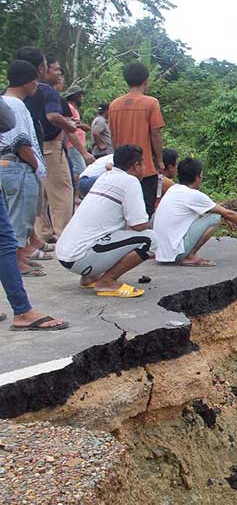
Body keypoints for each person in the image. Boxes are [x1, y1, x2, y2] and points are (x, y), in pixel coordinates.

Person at [0, 64, 65, 330]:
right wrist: (37, 166)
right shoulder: (11, 104)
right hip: (14, 166)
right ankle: (22, 311)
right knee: (6, 240)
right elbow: (9, 124)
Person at [55, 144, 154, 298]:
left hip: (65, 254)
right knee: (151, 239)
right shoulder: (130, 181)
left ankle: (89, 278)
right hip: (81, 257)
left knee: (111, 231)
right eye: (144, 163)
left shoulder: (106, 176)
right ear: (136, 166)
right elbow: (139, 225)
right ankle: (107, 282)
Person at [14, 48, 91, 240]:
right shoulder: (46, 91)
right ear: (41, 69)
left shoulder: (13, 94)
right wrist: (70, 127)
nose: (57, 73)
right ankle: (65, 234)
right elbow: (53, 116)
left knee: (41, 194)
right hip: (48, 146)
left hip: (23, 149)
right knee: (62, 190)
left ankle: (43, 235)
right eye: (53, 68)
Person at [153, 157, 237, 267]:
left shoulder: (174, 189)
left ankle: (187, 254)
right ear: (198, 177)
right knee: (215, 217)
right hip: (175, 253)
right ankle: (190, 256)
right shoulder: (193, 195)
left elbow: (206, 212)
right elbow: (228, 213)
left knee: (216, 214)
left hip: (162, 254)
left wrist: (225, 216)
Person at [1, 61, 47, 277]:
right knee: (20, 213)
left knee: (13, 213)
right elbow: (21, 144)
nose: (36, 85)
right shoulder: (16, 105)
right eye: (35, 80)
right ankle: (18, 260)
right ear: (27, 81)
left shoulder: (5, 101)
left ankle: (20, 258)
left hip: (7, 165)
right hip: (17, 165)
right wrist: (36, 166)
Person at [107, 62, 164, 217]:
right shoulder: (151, 103)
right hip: (144, 169)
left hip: (122, 168)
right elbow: (155, 134)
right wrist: (159, 160)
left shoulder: (114, 105)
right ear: (146, 80)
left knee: (121, 212)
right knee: (144, 212)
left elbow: (112, 135)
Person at [64, 89, 89, 181]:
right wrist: (81, 125)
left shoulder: (74, 109)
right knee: (80, 169)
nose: (82, 98)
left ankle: (76, 193)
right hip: (73, 144)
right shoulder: (69, 108)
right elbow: (69, 125)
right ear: (75, 96)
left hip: (77, 145)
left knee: (78, 169)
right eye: (80, 96)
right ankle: (76, 194)